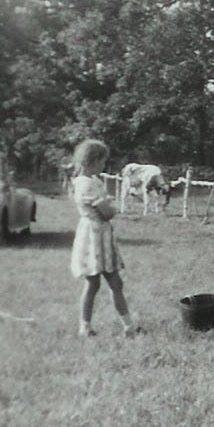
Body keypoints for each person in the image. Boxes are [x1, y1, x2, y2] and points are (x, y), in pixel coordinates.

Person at [69, 139, 141, 338]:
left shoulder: (90, 181)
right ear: (92, 161)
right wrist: (112, 207)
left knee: (97, 284)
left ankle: (87, 327)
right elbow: (107, 213)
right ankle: (128, 327)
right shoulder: (87, 185)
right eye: (102, 161)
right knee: (110, 283)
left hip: (96, 234)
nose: (104, 166)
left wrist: (108, 206)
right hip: (95, 237)